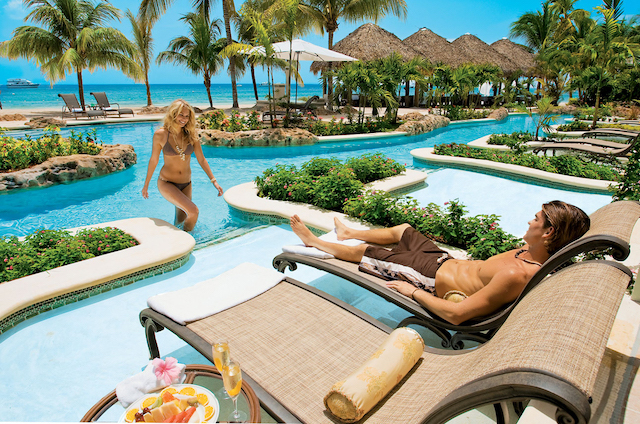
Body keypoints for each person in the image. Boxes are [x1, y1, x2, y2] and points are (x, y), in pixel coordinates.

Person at [289, 201, 590, 325]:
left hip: (429, 277)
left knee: (370, 253)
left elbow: (458, 315)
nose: (529, 220)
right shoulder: (527, 251)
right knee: (403, 229)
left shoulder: (517, 274)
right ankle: (347, 232)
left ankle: (314, 243)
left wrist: (414, 293)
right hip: (442, 260)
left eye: (536, 220)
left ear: (548, 232)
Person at [142, 99, 223, 232]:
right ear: (173, 114)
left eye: (187, 116)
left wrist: (214, 181)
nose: (184, 119)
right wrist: (146, 185)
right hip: (167, 183)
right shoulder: (160, 135)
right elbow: (153, 160)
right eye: (181, 115)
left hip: (186, 184)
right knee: (194, 212)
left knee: (180, 221)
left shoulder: (191, 135)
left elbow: (201, 160)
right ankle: (189, 242)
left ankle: (177, 242)